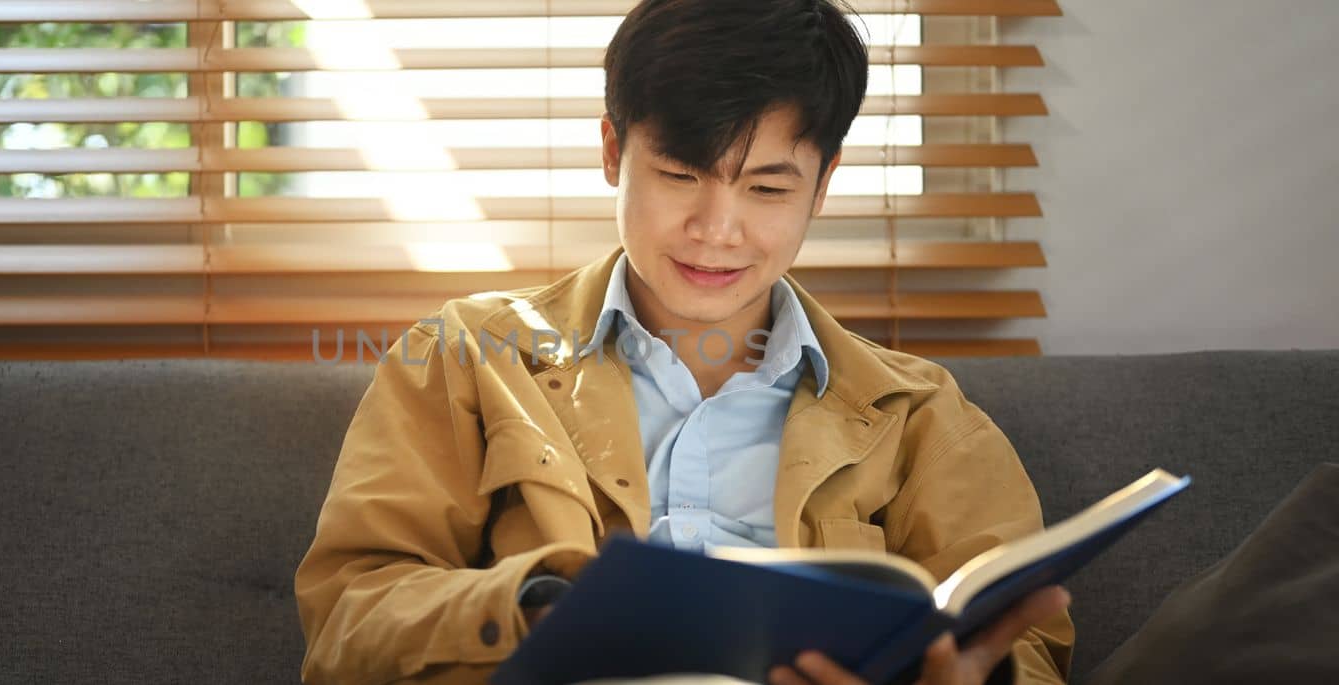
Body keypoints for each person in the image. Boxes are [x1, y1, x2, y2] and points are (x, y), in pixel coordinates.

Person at [294, 1, 1075, 683]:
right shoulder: (468, 358)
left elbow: (1033, 644)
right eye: (678, 175)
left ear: (823, 184)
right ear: (612, 150)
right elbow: (346, 617)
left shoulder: (919, 416)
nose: (717, 230)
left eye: (768, 188)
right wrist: (543, 606)